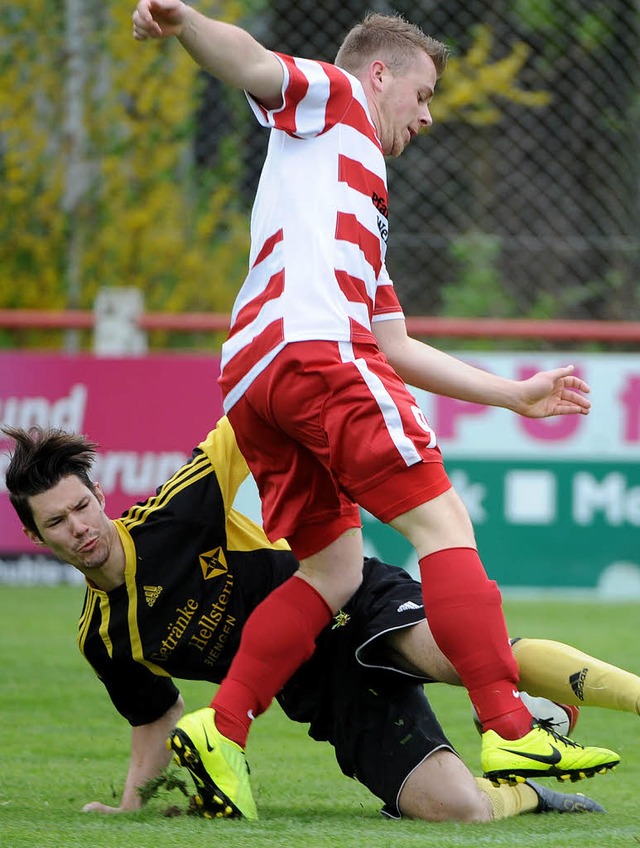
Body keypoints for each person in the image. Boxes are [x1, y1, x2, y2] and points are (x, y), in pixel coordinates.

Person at [131, 0, 618, 817]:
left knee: (334, 571)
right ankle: (506, 725)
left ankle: (222, 731)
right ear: (380, 73)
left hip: (256, 381)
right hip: (315, 356)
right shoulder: (340, 97)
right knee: (443, 525)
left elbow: (393, 344)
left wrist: (515, 396)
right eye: (423, 94)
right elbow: (254, 62)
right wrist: (187, 24)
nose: (427, 116)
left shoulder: (355, 206)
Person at [7, 421, 638, 821]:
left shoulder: (171, 513)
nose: (80, 528)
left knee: (459, 653)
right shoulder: (103, 639)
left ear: (99, 497)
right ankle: (532, 790)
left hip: (346, 600)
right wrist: (130, 807)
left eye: (82, 506)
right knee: (456, 810)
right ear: (35, 535)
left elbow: (243, 423)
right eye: (57, 522)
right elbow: (154, 720)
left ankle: (577, 705)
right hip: (317, 689)